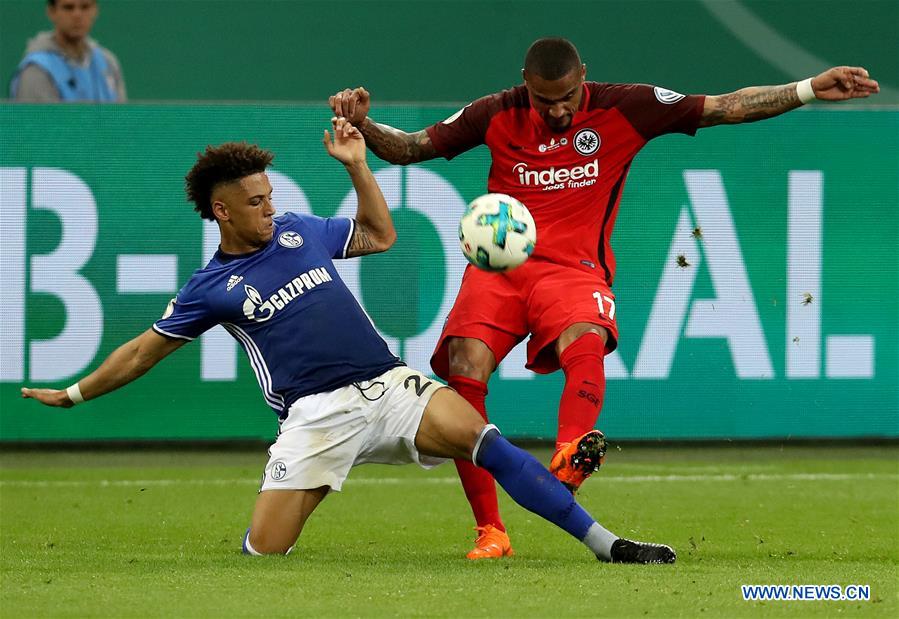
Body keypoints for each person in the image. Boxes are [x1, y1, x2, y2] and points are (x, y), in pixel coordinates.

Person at [21, 118, 676, 564]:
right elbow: (143, 350)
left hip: (389, 386)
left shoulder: (299, 230)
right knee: (266, 550)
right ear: (221, 211)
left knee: (487, 441)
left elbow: (380, 235)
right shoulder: (211, 286)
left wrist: (359, 166)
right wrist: (75, 394)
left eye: (269, 196)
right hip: (314, 416)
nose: (269, 208)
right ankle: (267, 531)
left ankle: (608, 545)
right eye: (254, 202)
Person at [329, 37, 880, 559]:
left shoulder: (625, 106)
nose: (558, 110)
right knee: (463, 363)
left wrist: (808, 88)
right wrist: (363, 125)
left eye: (568, 97)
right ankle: (491, 530)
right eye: (544, 100)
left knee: (586, 337)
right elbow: (411, 148)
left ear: (584, 78)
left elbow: (724, 106)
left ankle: (571, 453)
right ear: (525, 84)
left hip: (573, 270)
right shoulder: (496, 112)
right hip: (502, 271)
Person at [10, 0, 126, 102]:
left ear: (95, 10)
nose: (77, 15)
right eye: (68, 7)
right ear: (51, 12)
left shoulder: (108, 63)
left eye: (85, 7)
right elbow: (39, 120)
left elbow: (121, 117)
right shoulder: (37, 70)